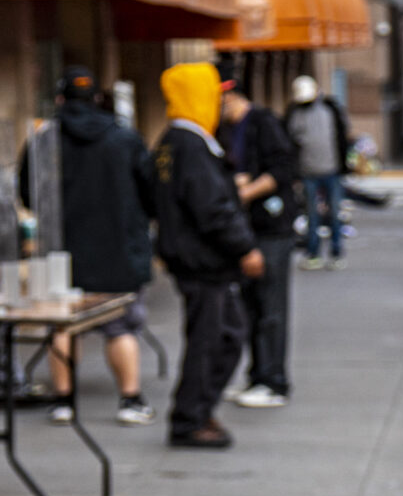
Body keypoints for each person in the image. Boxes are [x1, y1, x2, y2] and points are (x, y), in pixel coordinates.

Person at [25, 67, 156, 426]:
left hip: (63, 252)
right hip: (118, 248)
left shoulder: (45, 138)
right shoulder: (124, 138)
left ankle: (63, 400)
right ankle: (130, 399)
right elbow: (150, 192)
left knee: (63, 327)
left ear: (59, 99)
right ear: (98, 98)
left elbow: (28, 190)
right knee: (120, 327)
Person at [154, 62, 263, 450]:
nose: (219, 103)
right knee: (212, 340)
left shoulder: (174, 141)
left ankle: (197, 410)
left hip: (196, 259)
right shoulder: (190, 144)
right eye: (214, 95)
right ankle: (190, 418)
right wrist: (245, 247)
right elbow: (211, 208)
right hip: (205, 262)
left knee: (225, 336)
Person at [219, 70, 297, 408]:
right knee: (249, 304)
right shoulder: (224, 130)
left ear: (230, 95)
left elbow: (283, 169)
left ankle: (274, 381)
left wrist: (246, 191)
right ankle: (257, 375)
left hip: (271, 227)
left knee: (270, 305)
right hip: (247, 227)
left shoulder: (263, 122)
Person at [285, 74, 350, 270]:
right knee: (312, 215)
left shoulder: (330, 109)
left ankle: (336, 253)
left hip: (330, 169)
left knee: (334, 213)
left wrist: (343, 165)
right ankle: (313, 253)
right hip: (308, 172)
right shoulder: (294, 114)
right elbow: (290, 143)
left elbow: (341, 136)